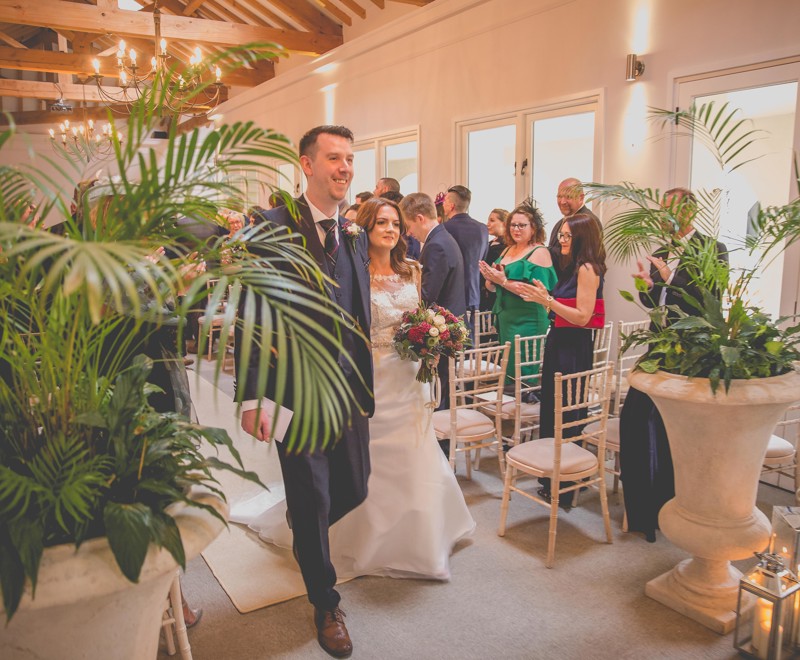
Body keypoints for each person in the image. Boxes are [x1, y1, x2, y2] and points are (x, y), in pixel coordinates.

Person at [239, 197, 475, 583]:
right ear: (364, 228)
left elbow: (418, 316)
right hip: (370, 375)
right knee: (367, 459)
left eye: (396, 224)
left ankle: (420, 538)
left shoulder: (412, 270)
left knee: (415, 454)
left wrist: (431, 338)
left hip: (409, 376)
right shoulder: (352, 270)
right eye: (381, 222)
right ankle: (346, 532)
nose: (390, 229)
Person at [236, 125, 373, 658]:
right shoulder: (269, 227)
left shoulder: (355, 234)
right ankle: (325, 600)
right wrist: (253, 397)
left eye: (350, 159)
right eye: (334, 158)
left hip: (349, 391)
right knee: (313, 496)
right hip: (294, 392)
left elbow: (359, 313)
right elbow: (250, 313)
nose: (344, 168)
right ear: (307, 164)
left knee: (355, 486)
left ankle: (304, 523)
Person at [619, 187, 728, 543]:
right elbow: (654, 300)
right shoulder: (662, 251)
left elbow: (709, 297)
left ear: (688, 212)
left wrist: (667, 274)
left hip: (692, 352)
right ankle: (642, 512)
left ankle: (676, 505)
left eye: (669, 211)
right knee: (634, 416)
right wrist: (644, 283)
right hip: (659, 345)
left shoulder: (713, 249)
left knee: (676, 434)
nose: (663, 218)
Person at [517, 213, 606, 506]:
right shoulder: (571, 267)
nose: (562, 241)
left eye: (567, 236)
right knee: (553, 409)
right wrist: (546, 297)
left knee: (567, 411)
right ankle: (551, 475)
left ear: (582, 238)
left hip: (574, 346)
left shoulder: (587, 269)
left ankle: (567, 483)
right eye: (562, 235)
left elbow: (583, 316)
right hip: (559, 341)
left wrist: (548, 301)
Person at [400, 192, 465, 416]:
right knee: (443, 387)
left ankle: (443, 439)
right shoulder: (443, 238)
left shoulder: (436, 245)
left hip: (442, 329)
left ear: (419, 218)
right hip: (448, 324)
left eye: (408, 225)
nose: (408, 232)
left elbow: (427, 294)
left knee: (441, 390)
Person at [478, 200, 556, 384]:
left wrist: (502, 280)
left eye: (522, 225)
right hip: (506, 317)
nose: (516, 229)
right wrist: (490, 279)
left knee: (523, 368)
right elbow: (495, 286)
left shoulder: (539, 252)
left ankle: (524, 405)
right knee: (507, 368)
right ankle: (508, 408)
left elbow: (532, 291)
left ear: (534, 227)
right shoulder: (508, 249)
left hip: (527, 319)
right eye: (513, 225)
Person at [441, 185, 489, 340]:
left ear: (451, 205)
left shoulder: (444, 229)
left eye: (444, 201)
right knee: (471, 343)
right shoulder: (482, 229)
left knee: (452, 345)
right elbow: (483, 259)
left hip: (451, 294)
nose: (442, 205)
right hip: (474, 293)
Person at [547, 178, 603, 277]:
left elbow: (577, 257)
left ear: (581, 198)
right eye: (559, 196)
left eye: (568, 197)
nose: (562, 202)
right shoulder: (560, 223)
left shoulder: (588, 222)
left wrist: (542, 251)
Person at [479, 208, 508, 312]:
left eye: (492, 220)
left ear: (504, 223)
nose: (488, 224)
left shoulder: (507, 246)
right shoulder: (490, 243)